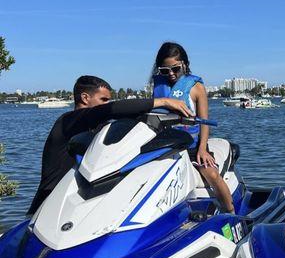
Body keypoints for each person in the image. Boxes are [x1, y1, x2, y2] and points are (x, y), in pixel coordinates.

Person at [27, 75, 192, 215]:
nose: (107, 103)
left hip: (71, 205)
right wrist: (164, 101)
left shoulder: (96, 125)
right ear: (85, 98)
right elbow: (112, 109)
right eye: (104, 99)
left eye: (109, 100)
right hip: (47, 206)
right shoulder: (68, 120)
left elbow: (123, 115)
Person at [152, 42, 235, 213]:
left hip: (192, 145)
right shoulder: (159, 85)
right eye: (165, 71)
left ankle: (231, 212)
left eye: (175, 69)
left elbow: (204, 121)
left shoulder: (196, 87)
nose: (171, 74)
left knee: (211, 174)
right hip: (165, 145)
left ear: (184, 64)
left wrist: (202, 149)